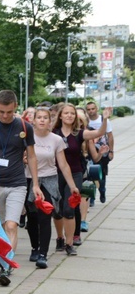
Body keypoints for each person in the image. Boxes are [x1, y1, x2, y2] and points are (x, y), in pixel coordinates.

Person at [0, 90, 42, 286]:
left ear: (15, 107)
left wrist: (35, 184)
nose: (5, 116)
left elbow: (31, 156)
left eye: (9, 112)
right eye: (2, 112)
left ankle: (6, 265)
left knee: (11, 225)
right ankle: (1, 258)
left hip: (17, 183)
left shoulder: (24, 127)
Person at [52, 103, 110, 255]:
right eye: (66, 113)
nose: (70, 116)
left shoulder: (80, 133)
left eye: (72, 113)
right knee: (57, 211)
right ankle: (59, 238)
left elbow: (100, 132)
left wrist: (104, 119)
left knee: (69, 209)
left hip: (75, 174)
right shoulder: (54, 132)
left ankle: (69, 243)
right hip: (56, 174)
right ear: (60, 115)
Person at [23, 107, 78, 268]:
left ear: (50, 121)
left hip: (48, 180)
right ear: (33, 120)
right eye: (38, 117)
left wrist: (72, 186)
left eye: (45, 117)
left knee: (45, 216)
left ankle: (43, 254)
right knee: (32, 217)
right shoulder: (26, 138)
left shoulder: (56, 139)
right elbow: (20, 157)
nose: (41, 120)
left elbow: (63, 165)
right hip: (29, 179)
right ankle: (35, 247)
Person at [85, 101, 113, 203]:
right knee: (91, 174)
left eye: (93, 108)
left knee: (101, 174)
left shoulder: (103, 120)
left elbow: (110, 136)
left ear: (96, 109)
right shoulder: (86, 121)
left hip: (103, 151)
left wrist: (111, 151)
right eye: (88, 109)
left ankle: (102, 190)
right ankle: (91, 198)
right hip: (89, 152)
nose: (91, 111)